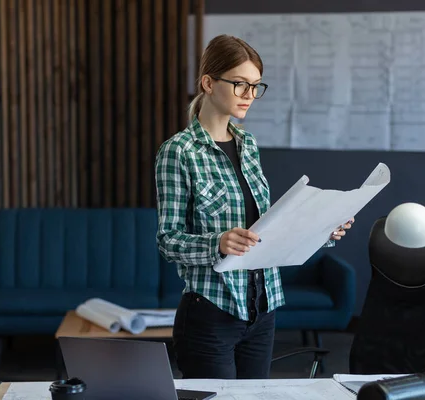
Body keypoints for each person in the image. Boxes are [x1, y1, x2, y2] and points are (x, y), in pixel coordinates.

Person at [154, 34, 354, 380]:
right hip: (211, 312)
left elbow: (267, 232)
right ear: (208, 83)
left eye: (256, 87)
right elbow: (167, 240)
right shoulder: (179, 152)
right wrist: (216, 243)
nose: (249, 96)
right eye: (240, 84)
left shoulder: (248, 143)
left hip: (262, 310)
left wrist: (322, 230)